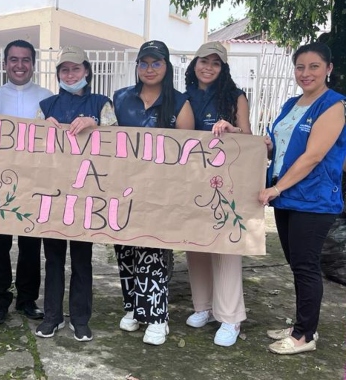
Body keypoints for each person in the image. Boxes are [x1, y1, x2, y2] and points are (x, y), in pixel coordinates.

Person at [259, 42, 346, 355]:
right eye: (300, 67)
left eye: (314, 66)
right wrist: (268, 148)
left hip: (313, 199)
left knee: (307, 266)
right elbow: (284, 147)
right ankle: (302, 323)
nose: (306, 73)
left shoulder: (333, 105)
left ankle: (304, 336)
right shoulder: (292, 103)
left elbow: (313, 156)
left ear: (328, 69)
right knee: (297, 264)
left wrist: (277, 188)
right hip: (288, 198)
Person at [112, 40, 194, 345]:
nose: (149, 69)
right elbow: (106, 140)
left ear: (166, 67)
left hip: (162, 192)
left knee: (154, 252)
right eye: (144, 63)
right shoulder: (121, 98)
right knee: (126, 251)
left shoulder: (180, 103)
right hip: (123, 189)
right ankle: (134, 307)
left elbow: (189, 152)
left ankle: (157, 316)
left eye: (156, 63)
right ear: (137, 67)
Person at [33, 45, 117, 342]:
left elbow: (119, 142)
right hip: (54, 193)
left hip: (88, 194)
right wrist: (43, 129)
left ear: (87, 71)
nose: (70, 74)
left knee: (82, 259)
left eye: (76, 68)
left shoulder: (102, 103)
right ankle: (52, 316)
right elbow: (31, 147)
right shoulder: (46, 106)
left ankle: (80, 318)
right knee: (53, 258)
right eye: (64, 69)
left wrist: (96, 125)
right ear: (58, 74)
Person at [183, 41, 252, 347]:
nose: (208, 67)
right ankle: (205, 307)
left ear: (223, 68)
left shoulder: (235, 97)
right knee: (195, 243)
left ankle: (231, 317)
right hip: (191, 180)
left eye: (215, 63)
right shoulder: (184, 98)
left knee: (226, 246)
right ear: (194, 64)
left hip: (225, 181)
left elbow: (248, 137)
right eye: (203, 61)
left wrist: (232, 129)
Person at [0, 40, 52, 325]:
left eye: (26, 60)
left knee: (30, 243)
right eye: (14, 59)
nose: (20, 65)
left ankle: (27, 299)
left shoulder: (48, 97)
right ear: (4, 63)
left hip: (34, 179)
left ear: (33, 64)